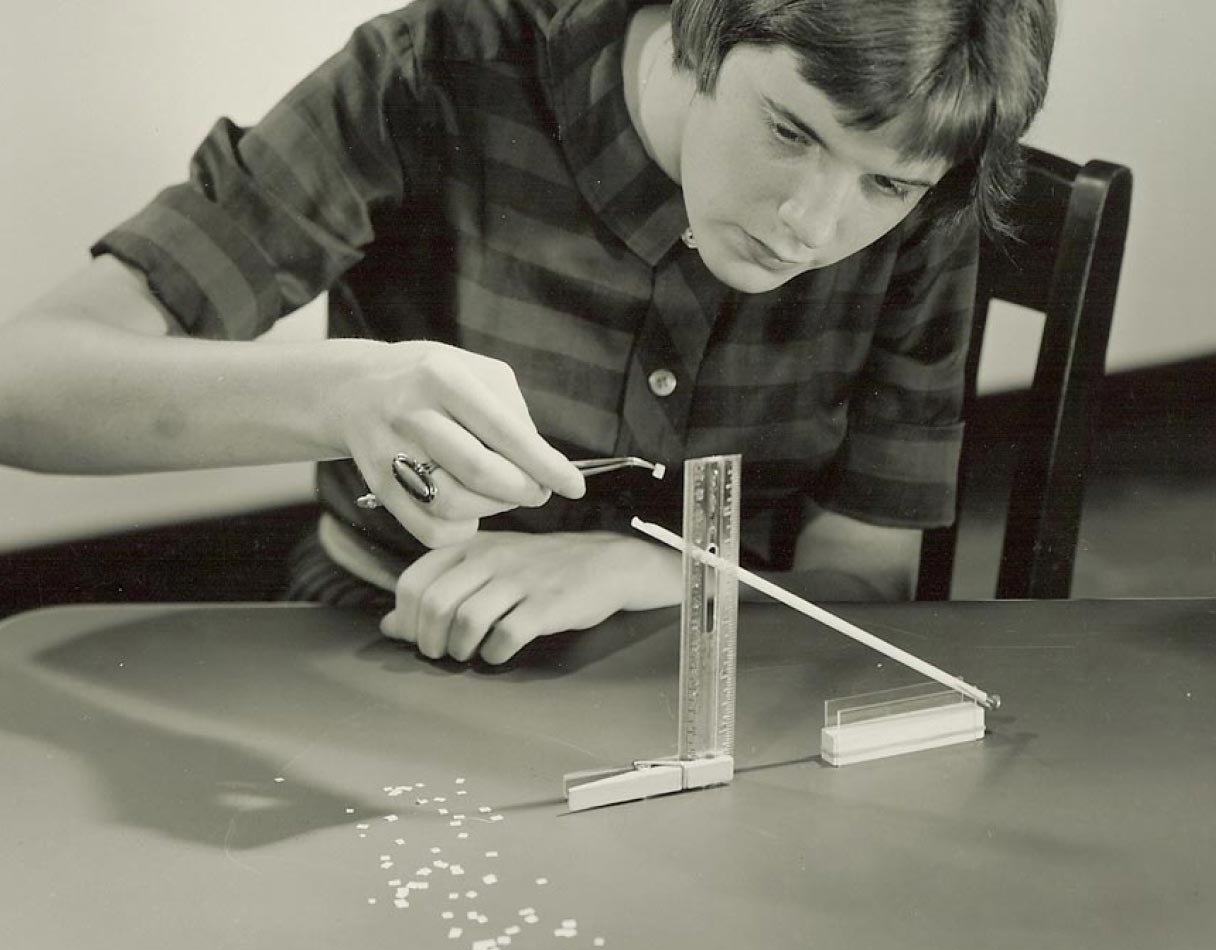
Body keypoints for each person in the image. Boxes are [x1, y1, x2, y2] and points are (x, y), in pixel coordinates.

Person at [0, 0, 1056, 664]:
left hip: (731, 673)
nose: (811, 224)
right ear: (704, 25)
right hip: (380, 639)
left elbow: (867, 578)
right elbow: (24, 388)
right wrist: (348, 392)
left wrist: (668, 572)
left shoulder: (927, 202)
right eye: (788, 132)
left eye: (886, 184)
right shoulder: (430, 73)